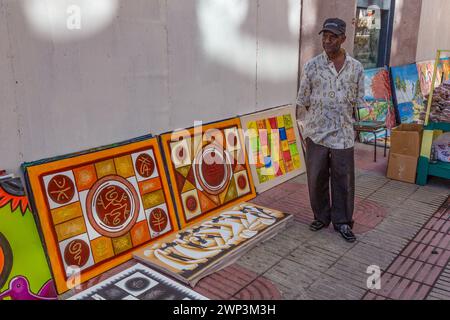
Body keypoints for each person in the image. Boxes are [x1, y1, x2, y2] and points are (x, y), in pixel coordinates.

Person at [296, 18, 365, 243]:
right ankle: (321, 216)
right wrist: (319, 117)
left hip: (343, 135)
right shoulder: (312, 66)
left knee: (343, 180)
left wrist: (347, 121)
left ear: (343, 39)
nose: (327, 40)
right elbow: (304, 99)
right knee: (316, 178)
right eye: (324, 35)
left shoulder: (356, 68)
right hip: (317, 133)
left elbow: (359, 101)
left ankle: (343, 221)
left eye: (333, 36)